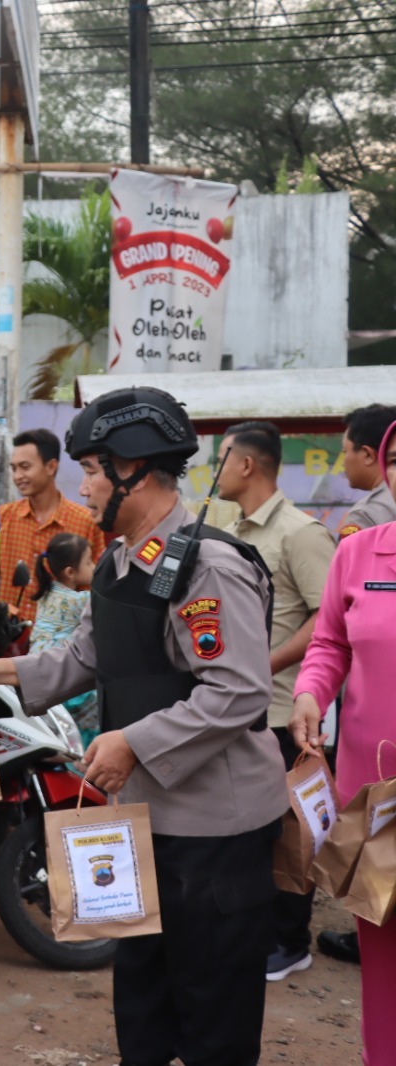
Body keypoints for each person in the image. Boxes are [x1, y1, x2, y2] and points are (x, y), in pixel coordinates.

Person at [0, 386, 285, 1066]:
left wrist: (135, 741)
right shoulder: (120, 564)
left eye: (93, 471)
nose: (84, 487)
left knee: (214, 1018)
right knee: (143, 1007)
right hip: (140, 820)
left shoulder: (208, 566)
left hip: (213, 833)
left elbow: (240, 690)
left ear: (134, 469)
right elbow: (84, 658)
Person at [214, 420, 337, 982]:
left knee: (291, 831)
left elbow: (328, 619)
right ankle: (258, 933)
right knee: (247, 833)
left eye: (221, 457)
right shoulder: (225, 530)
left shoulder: (300, 534)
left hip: (285, 712)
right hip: (235, 710)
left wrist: (265, 664)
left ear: (247, 464)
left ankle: (291, 940)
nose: (214, 470)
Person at [290, 416, 396, 1066]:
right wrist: (310, 691)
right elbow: (329, 642)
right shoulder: (360, 554)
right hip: (374, 800)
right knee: (381, 948)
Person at [0, 428, 106, 634]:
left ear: (51, 466)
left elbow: (97, 587)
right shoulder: (3, 517)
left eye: (25, 467)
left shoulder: (85, 522)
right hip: (8, 640)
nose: (18, 476)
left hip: (60, 643)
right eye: (14, 468)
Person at [28, 532, 100, 745]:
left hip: (35, 666)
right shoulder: (80, 601)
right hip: (59, 669)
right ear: (70, 572)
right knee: (94, 703)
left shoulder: (46, 592)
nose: (94, 566)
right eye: (89, 562)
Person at [337, 403, 396, 540]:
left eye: (345, 452)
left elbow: (353, 555)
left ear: (368, 455)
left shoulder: (365, 515)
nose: (343, 462)